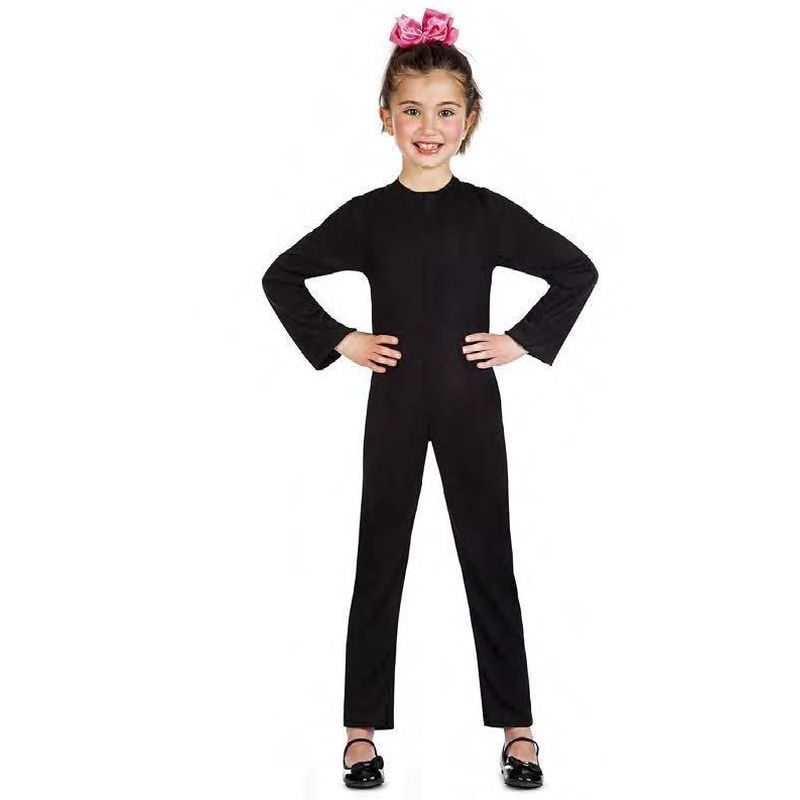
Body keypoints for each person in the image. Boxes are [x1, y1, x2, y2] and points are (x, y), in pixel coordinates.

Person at [261, 8, 598, 790]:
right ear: (385, 116)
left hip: (471, 404)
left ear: (469, 119)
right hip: (395, 406)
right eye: (411, 110)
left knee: (489, 555)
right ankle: (359, 730)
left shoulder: (488, 215)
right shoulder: (366, 217)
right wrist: (342, 338)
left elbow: (576, 270)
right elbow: (282, 276)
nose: (428, 126)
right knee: (379, 556)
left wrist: (521, 339)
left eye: (446, 111)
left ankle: (518, 727)